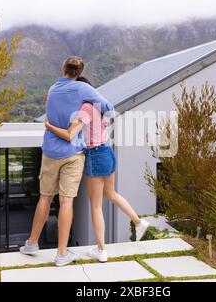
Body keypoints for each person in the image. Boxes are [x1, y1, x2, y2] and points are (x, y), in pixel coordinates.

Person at [19, 57, 114, 267]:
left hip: (50, 151)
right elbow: (109, 107)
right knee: (66, 201)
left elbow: (51, 116)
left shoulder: (52, 89)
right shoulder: (81, 88)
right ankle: (62, 253)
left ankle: (32, 243)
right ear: (79, 73)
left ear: (63, 68)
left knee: (45, 197)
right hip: (73, 153)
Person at [45, 77, 150, 263]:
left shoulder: (85, 109)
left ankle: (101, 250)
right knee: (112, 194)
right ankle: (139, 222)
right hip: (107, 151)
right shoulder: (100, 107)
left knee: (96, 205)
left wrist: (49, 126)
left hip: (95, 154)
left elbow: (70, 135)